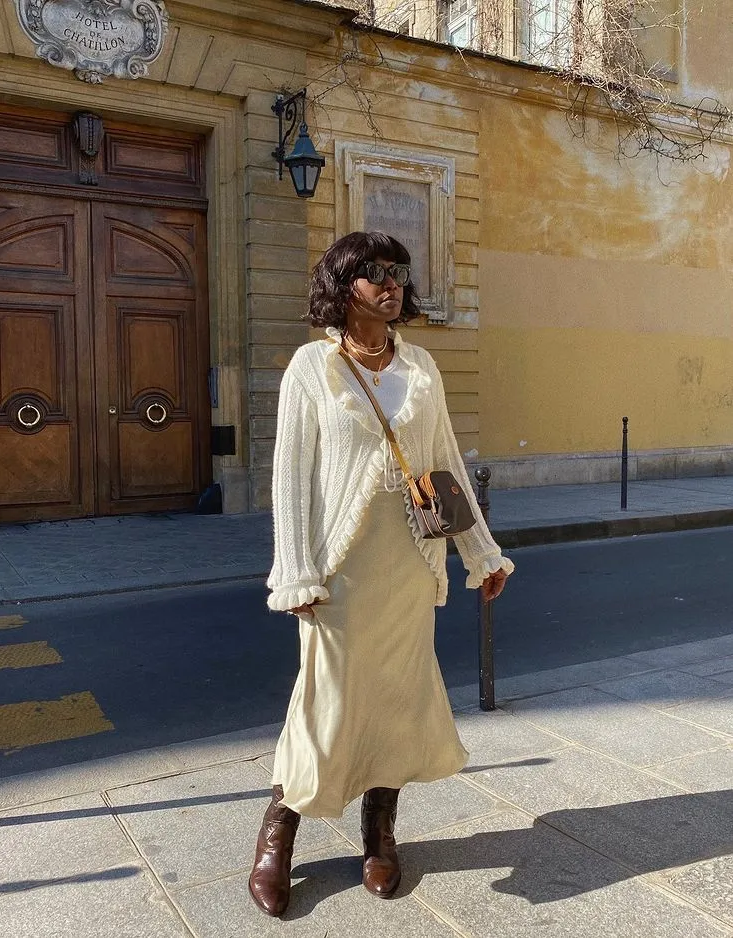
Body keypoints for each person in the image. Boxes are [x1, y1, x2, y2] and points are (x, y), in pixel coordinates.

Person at [248, 231, 514, 917]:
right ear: (343, 286)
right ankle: (278, 834)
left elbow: (446, 465)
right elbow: (291, 480)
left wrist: (482, 554)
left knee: (395, 702)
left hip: (406, 568)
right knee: (323, 706)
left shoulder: (420, 365)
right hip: (339, 573)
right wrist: (296, 573)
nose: (389, 283)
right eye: (371, 273)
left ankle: (380, 834)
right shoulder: (313, 367)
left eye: (396, 272)